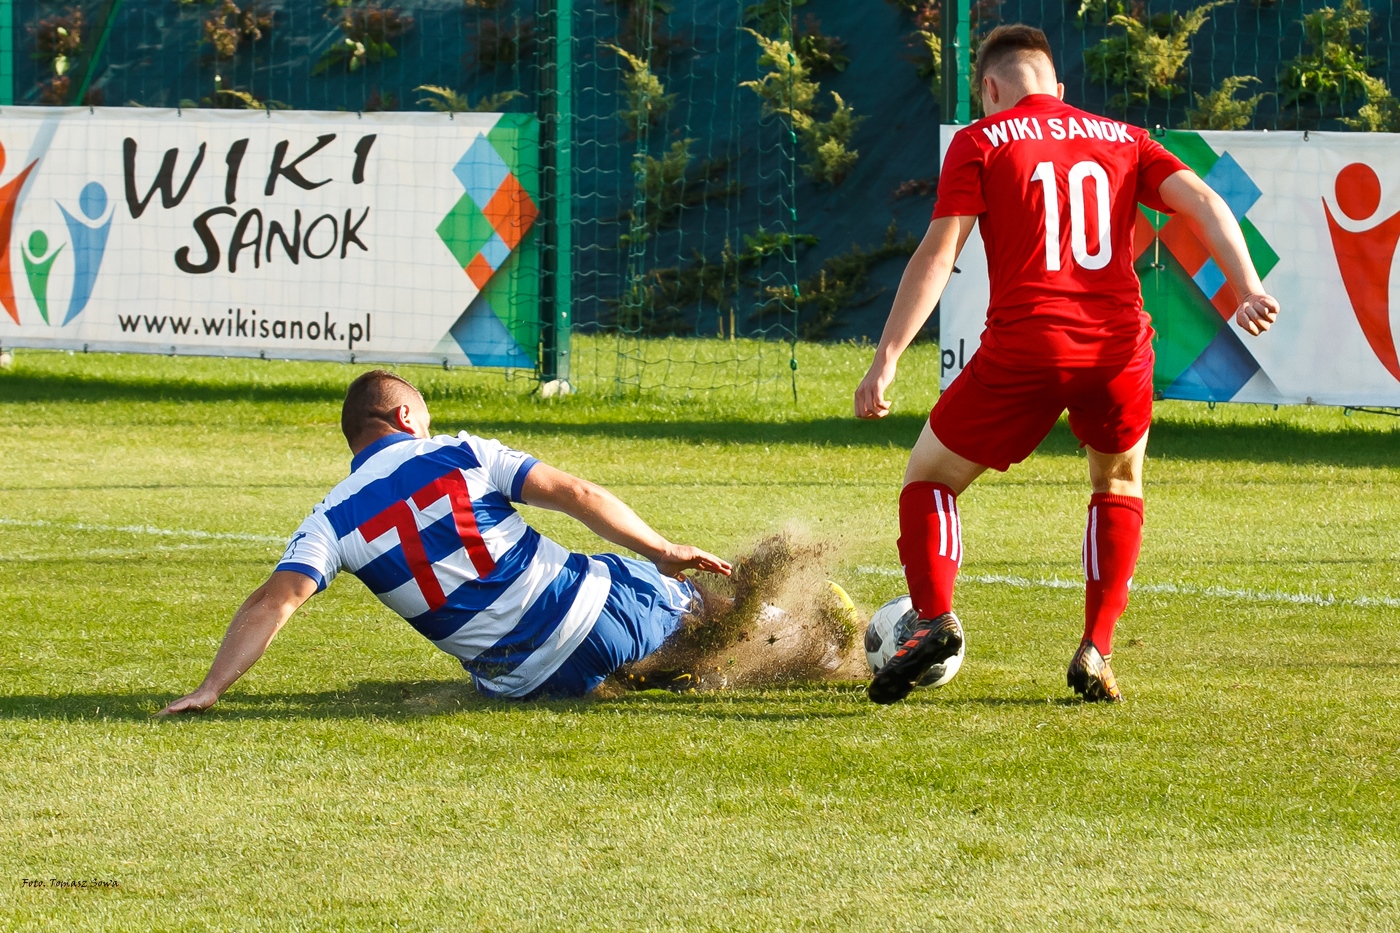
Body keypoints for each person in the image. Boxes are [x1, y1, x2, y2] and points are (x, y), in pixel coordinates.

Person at [854, 24, 1279, 704]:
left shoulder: (979, 140)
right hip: (1117, 346)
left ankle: (932, 619)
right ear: (1058, 87)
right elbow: (1202, 199)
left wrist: (887, 357)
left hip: (1028, 344)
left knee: (929, 476)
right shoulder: (1123, 137)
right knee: (1118, 482)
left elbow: (939, 255)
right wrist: (1248, 284)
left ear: (989, 90)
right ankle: (1096, 647)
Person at [158, 370, 731, 713]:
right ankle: (796, 628)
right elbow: (576, 493)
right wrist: (662, 550)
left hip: (531, 684)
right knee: (688, 599)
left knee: (503, 662)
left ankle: (653, 664)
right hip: (602, 614)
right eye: (425, 417)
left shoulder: (328, 522)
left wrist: (211, 687)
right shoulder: (460, 452)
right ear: (405, 415)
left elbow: (272, 602)